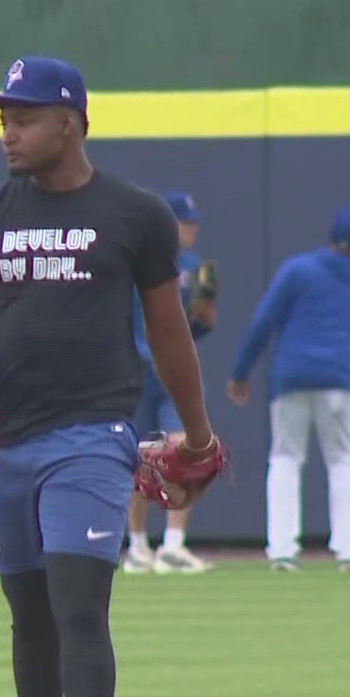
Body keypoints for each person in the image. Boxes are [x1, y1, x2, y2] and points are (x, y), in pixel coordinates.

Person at [0, 55, 221, 697]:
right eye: (2, 117)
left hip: (94, 434)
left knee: (76, 602)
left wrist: (196, 435)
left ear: (70, 122)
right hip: (8, 439)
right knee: (26, 613)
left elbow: (170, 332)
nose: (7, 131)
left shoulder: (133, 215)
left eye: (23, 116)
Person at [226, 205, 350, 573]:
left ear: (330, 236)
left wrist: (240, 371)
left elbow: (263, 320)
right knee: (343, 461)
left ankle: (282, 549)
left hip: (292, 378)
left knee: (286, 459)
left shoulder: (298, 270)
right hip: (339, 383)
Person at [123, 190, 219, 575]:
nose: (192, 229)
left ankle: (173, 546)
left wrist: (205, 320)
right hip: (137, 368)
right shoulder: (135, 261)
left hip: (175, 372)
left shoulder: (194, 266)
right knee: (138, 457)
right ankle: (138, 547)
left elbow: (193, 329)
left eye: (193, 222)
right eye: (185, 222)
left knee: (184, 451)